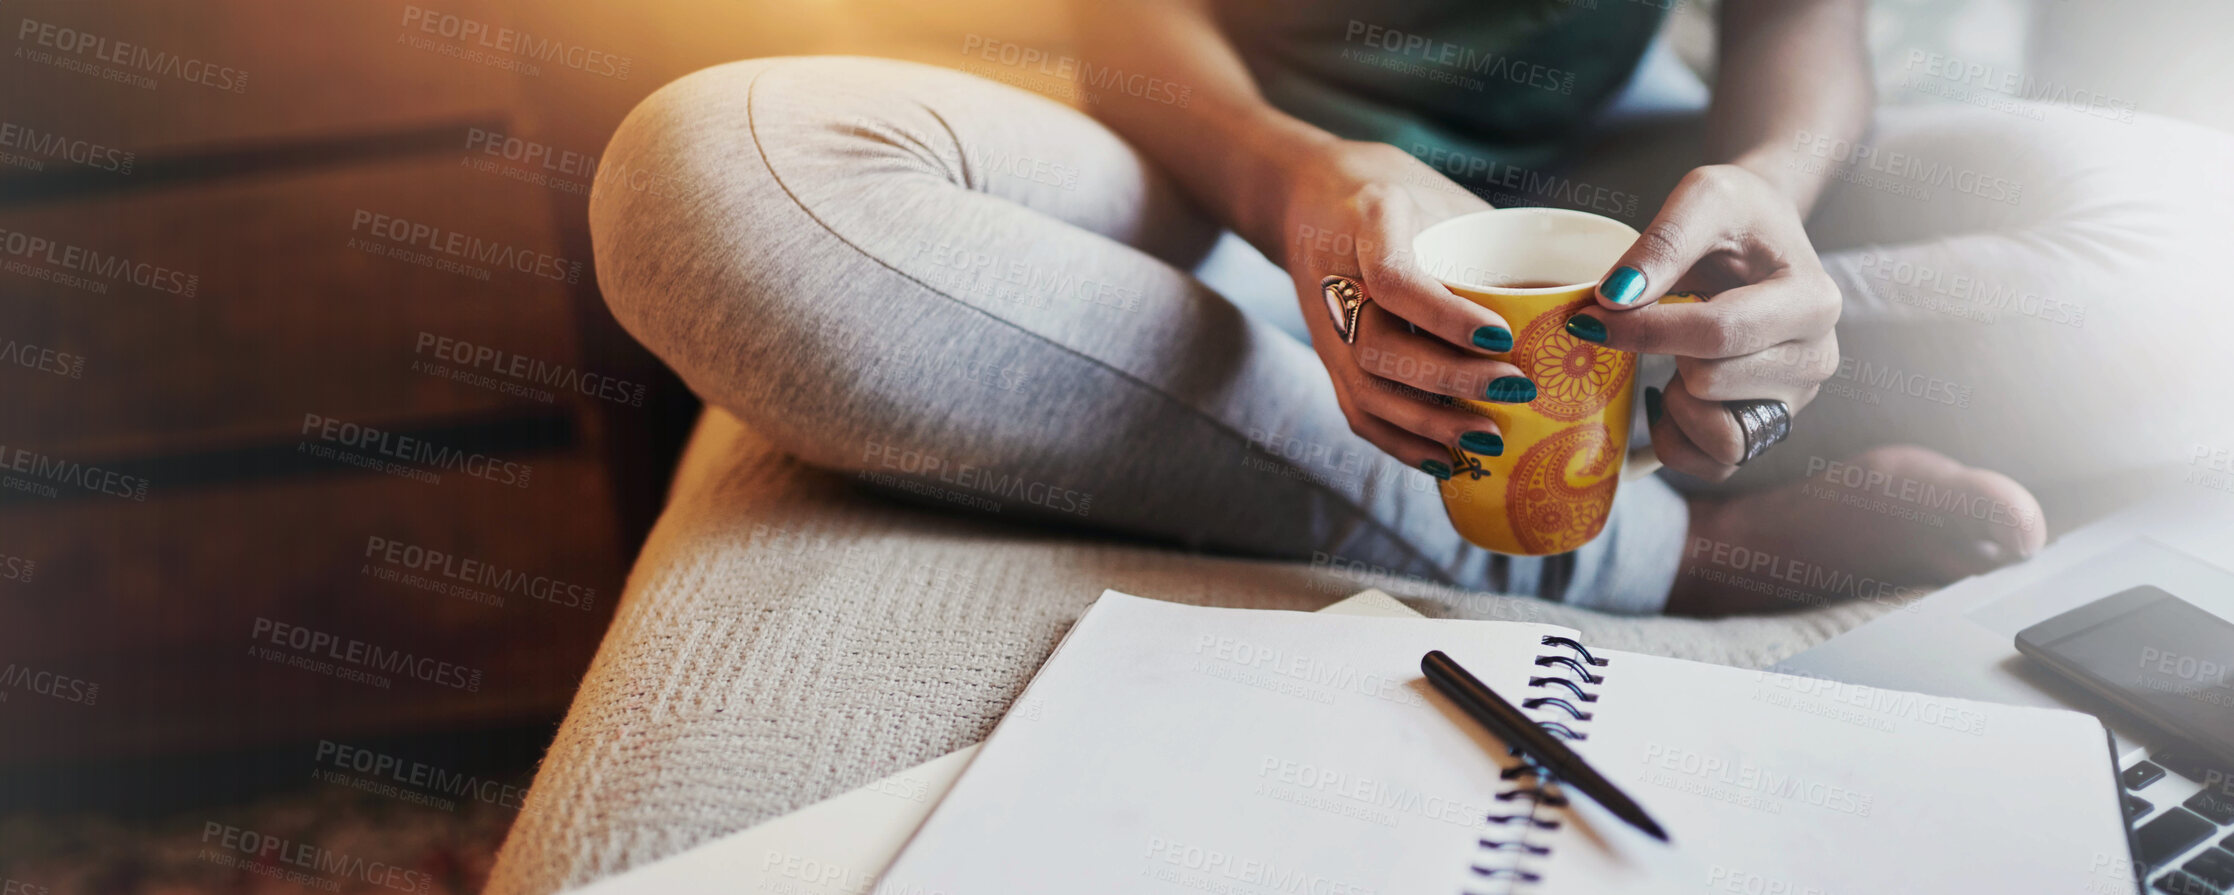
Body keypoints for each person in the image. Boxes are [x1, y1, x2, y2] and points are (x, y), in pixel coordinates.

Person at [586, 0, 2234, 616]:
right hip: (1218, 197)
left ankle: (1672, 395)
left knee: (2205, 231)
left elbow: (1801, 25)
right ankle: (1675, 547)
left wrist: (1772, 210)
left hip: (1612, 178)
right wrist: (1296, 178)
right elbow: (1122, 25)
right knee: (715, 170)